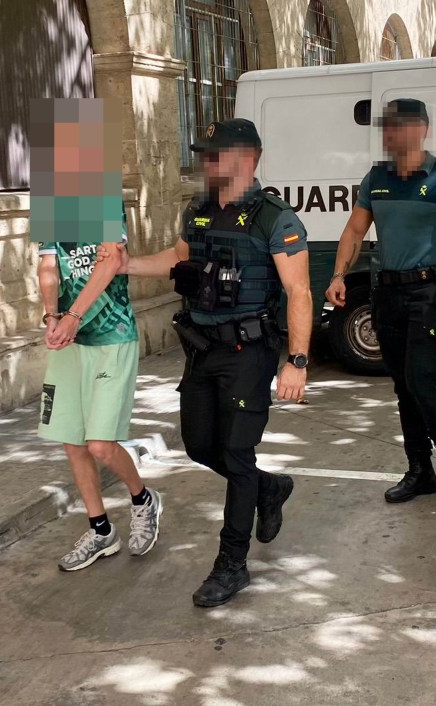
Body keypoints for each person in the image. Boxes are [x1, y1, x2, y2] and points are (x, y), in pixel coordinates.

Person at [100, 118, 312, 607]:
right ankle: (270, 487)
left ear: (246, 159)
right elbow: (177, 258)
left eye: (215, 155)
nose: (206, 164)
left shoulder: (274, 219)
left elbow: (299, 291)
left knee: (237, 456)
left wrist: (296, 360)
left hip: (249, 353)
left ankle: (231, 564)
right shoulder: (197, 210)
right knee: (199, 446)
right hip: (202, 348)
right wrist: (128, 264)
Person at [325, 98, 436, 506]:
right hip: (386, 292)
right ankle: (419, 469)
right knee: (403, 386)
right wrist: (337, 275)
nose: (392, 134)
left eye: (401, 126)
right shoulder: (376, 177)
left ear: (422, 129)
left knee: (423, 379)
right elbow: (354, 231)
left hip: (431, 291)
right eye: (388, 128)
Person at [37, 211, 162, 572]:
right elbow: (48, 265)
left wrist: (72, 315)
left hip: (111, 334)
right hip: (69, 341)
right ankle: (101, 532)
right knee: (72, 442)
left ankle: (143, 499)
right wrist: (50, 316)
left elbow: (111, 262)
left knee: (100, 444)